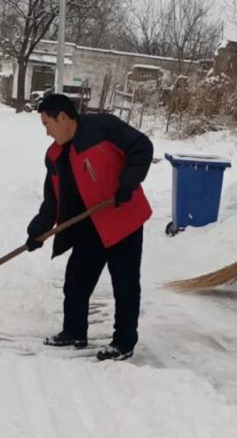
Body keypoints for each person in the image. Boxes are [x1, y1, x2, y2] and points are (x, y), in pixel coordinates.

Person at [26, 93, 154, 361]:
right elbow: (54, 200)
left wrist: (127, 183)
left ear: (62, 117)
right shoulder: (55, 156)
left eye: (47, 124)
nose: (47, 133)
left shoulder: (103, 128)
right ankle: (74, 331)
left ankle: (124, 342)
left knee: (125, 284)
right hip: (89, 227)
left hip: (123, 220)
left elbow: (141, 147)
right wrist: (37, 231)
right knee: (76, 282)